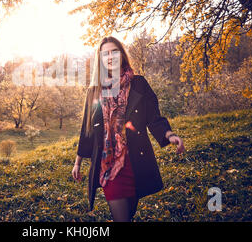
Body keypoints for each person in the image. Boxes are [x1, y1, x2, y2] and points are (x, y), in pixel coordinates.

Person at [72, 36, 185, 222]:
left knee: (129, 213)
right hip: (108, 163)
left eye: (114, 52)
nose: (110, 56)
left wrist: (169, 135)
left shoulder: (139, 84)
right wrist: (77, 162)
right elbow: (87, 130)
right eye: (105, 53)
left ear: (122, 55)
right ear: (100, 59)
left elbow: (154, 117)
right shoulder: (94, 91)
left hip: (135, 161)